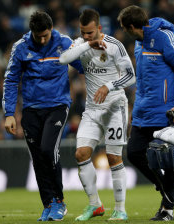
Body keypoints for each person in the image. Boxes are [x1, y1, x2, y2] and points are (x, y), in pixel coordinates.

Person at [2, 11, 83, 221]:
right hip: (30, 109)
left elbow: (83, 67)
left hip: (57, 105)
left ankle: (59, 201)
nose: (43, 40)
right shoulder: (21, 47)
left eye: (46, 35)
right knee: (37, 158)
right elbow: (11, 80)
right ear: (32, 32)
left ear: (52, 29)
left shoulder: (64, 42)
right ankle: (48, 204)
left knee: (48, 149)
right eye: (38, 36)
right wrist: (9, 113)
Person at [59, 9, 135, 221]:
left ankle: (120, 209)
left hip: (114, 107)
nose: (86, 36)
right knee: (81, 154)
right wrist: (86, 44)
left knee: (113, 157)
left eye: (90, 33)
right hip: (92, 110)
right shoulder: (80, 44)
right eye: (83, 32)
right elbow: (63, 59)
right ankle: (95, 205)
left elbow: (130, 76)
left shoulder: (114, 45)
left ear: (99, 28)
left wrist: (108, 86)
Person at [117, 5, 174, 221]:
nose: (123, 32)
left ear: (131, 26)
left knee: (167, 158)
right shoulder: (139, 43)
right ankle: (168, 191)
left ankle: (167, 210)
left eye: (123, 28)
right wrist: (136, 109)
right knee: (134, 152)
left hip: (166, 110)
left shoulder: (165, 37)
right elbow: (144, 80)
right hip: (144, 110)